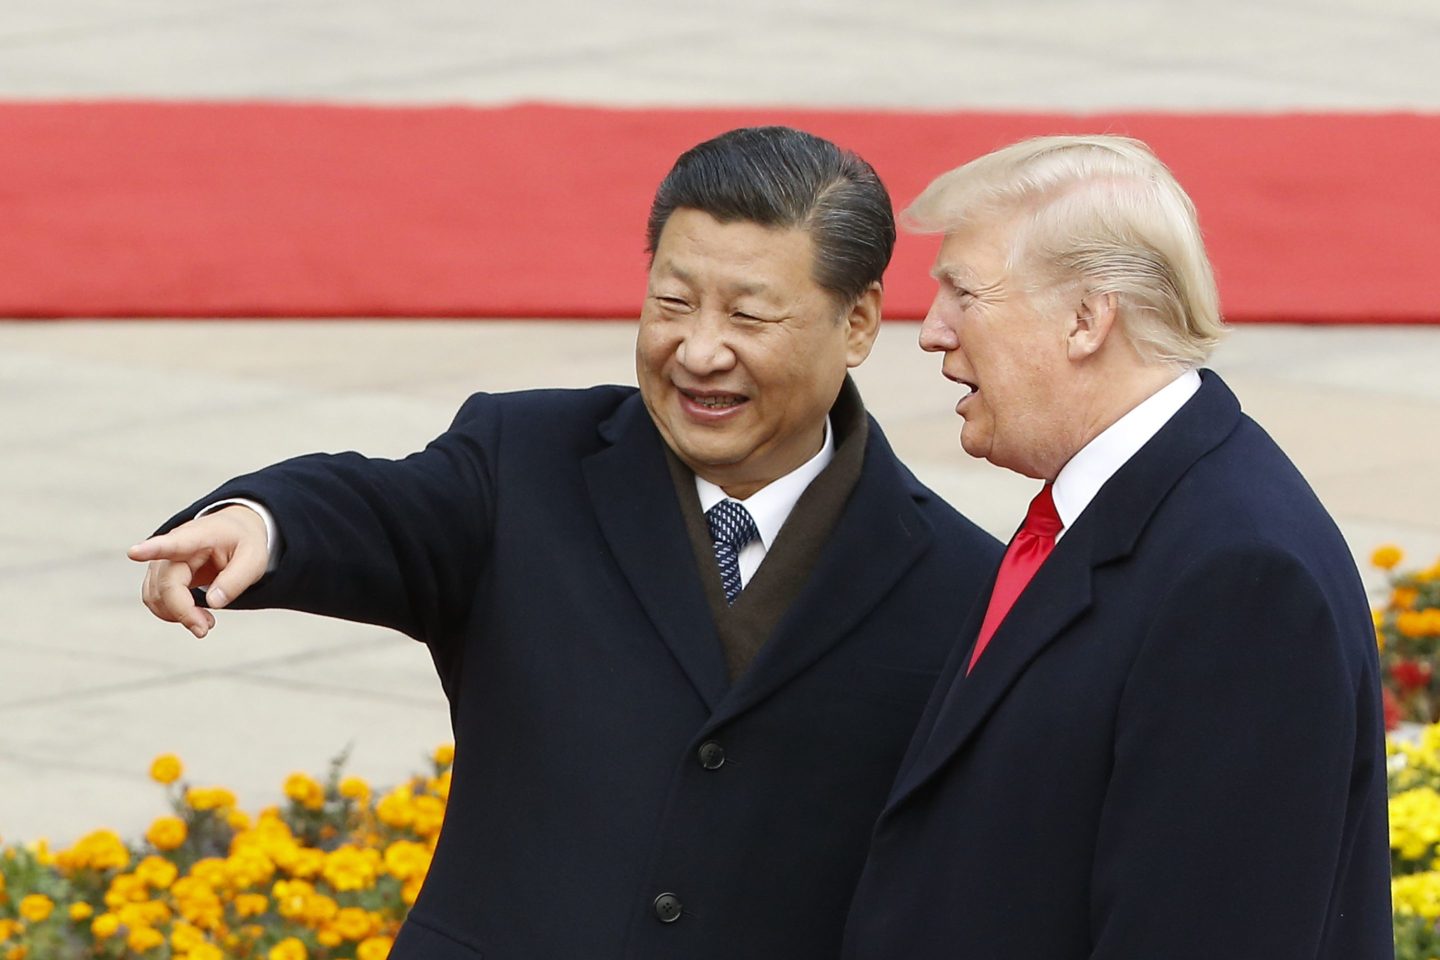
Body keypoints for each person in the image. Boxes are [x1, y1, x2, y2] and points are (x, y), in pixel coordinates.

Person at [128, 126, 1002, 960]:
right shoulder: (530, 461)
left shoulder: (962, 585)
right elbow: (385, 508)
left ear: (857, 324)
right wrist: (261, 521)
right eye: (672, 302)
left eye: (749, 317)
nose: (698, 351)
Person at [842, 135, 1393, 959]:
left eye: (963, 293)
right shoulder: (1118, 513)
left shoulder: (1241, 579)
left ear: (1085, 319)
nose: (932, 332)